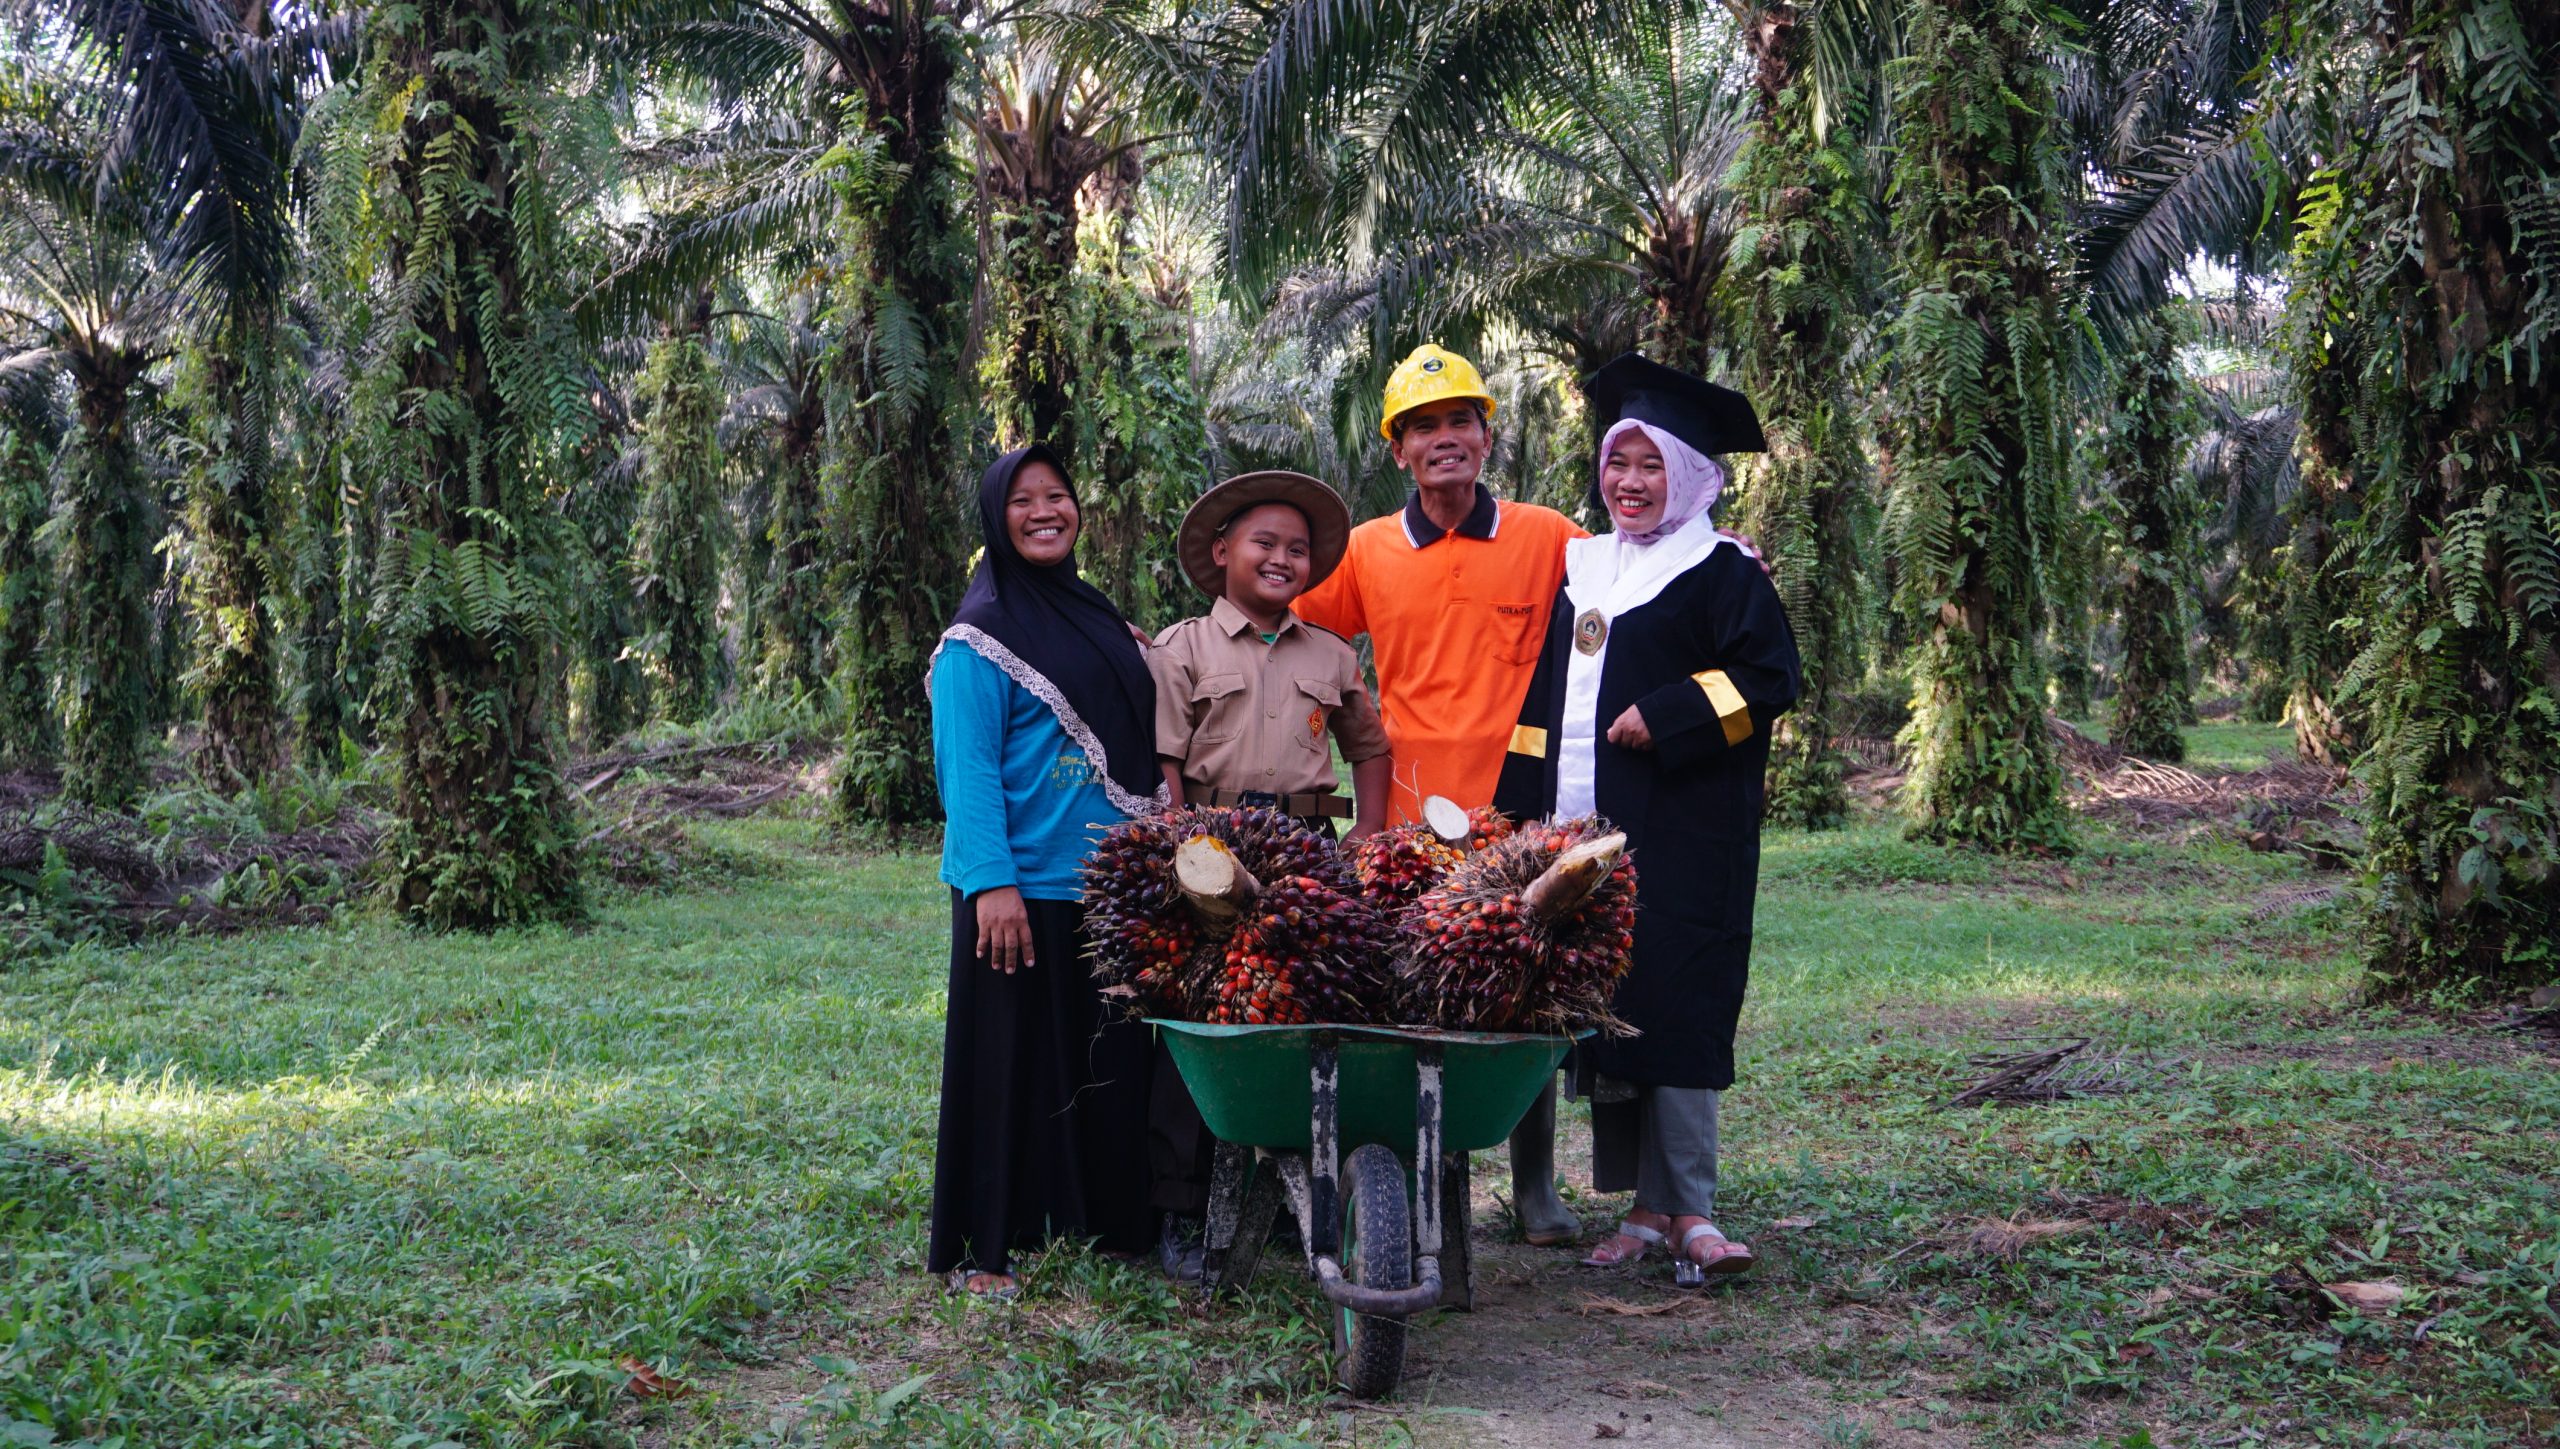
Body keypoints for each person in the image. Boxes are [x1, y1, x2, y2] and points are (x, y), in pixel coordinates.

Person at [1494, 354, 1802, 1286]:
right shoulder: (1582, 567)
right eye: (1618, 464)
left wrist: (1667, 715)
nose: (1629, 483)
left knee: (1679, 1002)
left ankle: (1694, 1208)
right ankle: (1640, 1208)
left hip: (1684, 832)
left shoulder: (1720, 568)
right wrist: (1514, 811)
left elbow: (1769, 680)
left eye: (1650, 466)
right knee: (1611, 1012)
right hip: (1581, 836)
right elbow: (1547, 698)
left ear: (1692, 475)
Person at [1292, 344, 1588, 1245]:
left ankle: (1535, 1185)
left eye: (1460, 419)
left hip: (1525, 815)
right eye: (1424, 426)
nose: (1444, 438)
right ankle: (1420, 1174)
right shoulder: (1370, 551)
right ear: (1399, 451)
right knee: (1414, 992)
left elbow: (1641, 594)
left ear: (1487, 437)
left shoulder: (1551, 536)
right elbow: (1283, 623)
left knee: (1532, 991)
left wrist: (1730, 560)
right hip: (1411, 821)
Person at [926, 443, 1168, 1298]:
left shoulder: (1097, 619)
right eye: (1023, 499)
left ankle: (1100, 1226)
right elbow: (969, 770)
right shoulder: (976, 637)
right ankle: (987, 1251)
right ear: (997, 516)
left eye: (1058, 495)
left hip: (1108, 885)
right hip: (1020, 890)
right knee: (1007, 1069)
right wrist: (992, 883)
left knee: (1105, 1067)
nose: (1043, 511)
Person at [1143, 470, 1396, 1276]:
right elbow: (1163, 757)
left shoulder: (1330, 651)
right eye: (1265, 543)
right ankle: (1183, 1209)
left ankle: (1299, 1199)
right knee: (1202, 1016)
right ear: (1222, 553)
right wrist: (1188, 849)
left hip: (1304, 842)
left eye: (1299, 548)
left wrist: (1368, 832)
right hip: (1209, 843)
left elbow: (1371, 748)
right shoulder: (1181, 646)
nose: (1283, 557)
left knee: (1304, 1009)